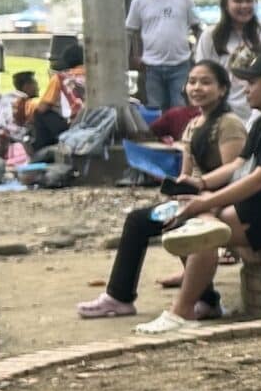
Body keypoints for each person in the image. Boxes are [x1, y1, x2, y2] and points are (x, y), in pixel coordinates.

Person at [138, 49, 261, 334]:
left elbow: (258, 180)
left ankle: (181, 312)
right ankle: (205, 302)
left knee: (205, 230)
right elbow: (240, 166)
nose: (245, 89)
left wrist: (207, 203)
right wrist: (201, 189)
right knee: (198, 221)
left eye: (252, 83)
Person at [78, 61, 250, 319]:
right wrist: (179, 187)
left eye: (206, 82)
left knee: (158, 222)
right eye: (192, 82)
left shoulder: (229, 124)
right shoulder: (194, 124)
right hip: (194, 197)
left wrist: (201, 189)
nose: (197, 88)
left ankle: (123, 298)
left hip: (217, 200)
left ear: (222, 89)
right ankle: (125, 297)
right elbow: (187, 171)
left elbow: (234, 170)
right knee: (140, 220)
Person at [125, 0, 197, 109]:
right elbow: (133, 31)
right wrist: (136, 56)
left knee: (180, 107)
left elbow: (196, 26)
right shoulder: (139, 1)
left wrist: (196, 53)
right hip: (151, 66)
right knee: (154, 107)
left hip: (180, 64)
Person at [26, 43, 88, 148]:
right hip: (95, 122)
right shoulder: (96, 75)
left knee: (39, 113)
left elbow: (43, 107)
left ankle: (42, 150)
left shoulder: (60, 78)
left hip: (71, 126)